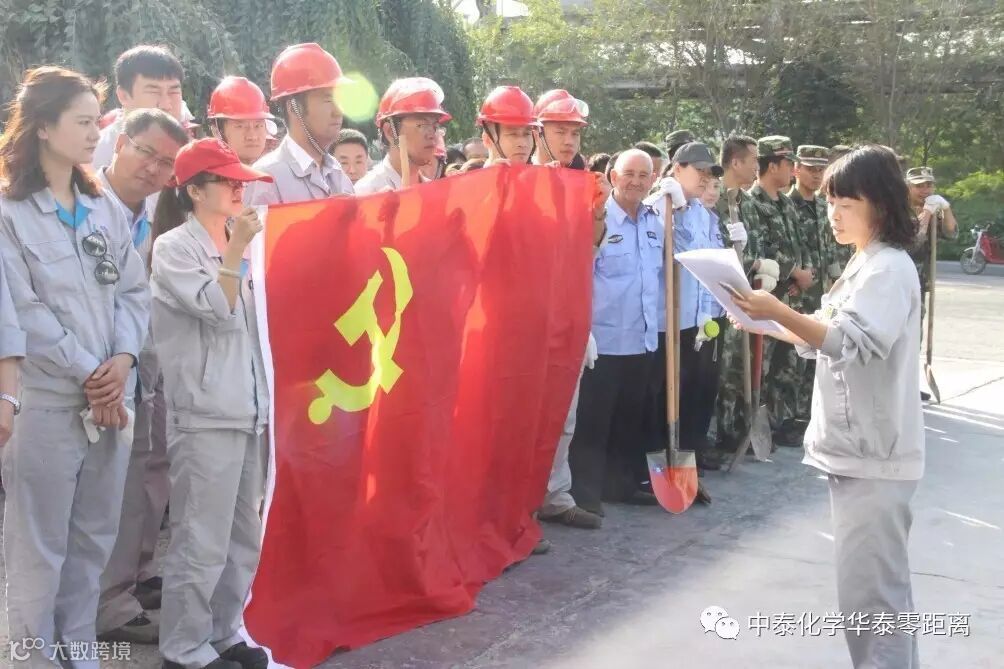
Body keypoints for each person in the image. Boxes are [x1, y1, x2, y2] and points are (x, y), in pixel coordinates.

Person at [732, 145, 924, 669]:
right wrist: (761, 320)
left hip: (875, 454)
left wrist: (777, 309)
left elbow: (845, 340)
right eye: (831, 203)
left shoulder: (888, 268)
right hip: (860, 450)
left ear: (879, 204)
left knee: (873, 601)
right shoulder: (867, 261)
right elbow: (822, 334)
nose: (833, 213)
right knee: (877, 593)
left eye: (846, 204)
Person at [0, 66, 150, 666]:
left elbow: (132, 291)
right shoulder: (9, 213)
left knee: (91, 544)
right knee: (40, 550)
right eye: (83, 122)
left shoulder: (102, 206)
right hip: (48, 405)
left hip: (111, 402)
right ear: (43, 127)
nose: (95, 134)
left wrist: (123, 360)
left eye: (95, 122)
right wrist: (92, 371)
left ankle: (80, 654)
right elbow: (22, 311)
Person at [150, 138, 272, 669]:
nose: (238, 187)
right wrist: (237, 249)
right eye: (226, 180)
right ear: (195, 190)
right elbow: (215, 309)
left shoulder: (239, 240)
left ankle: (224, 632)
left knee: (243, 537)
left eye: (240, 179)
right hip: (204, 414)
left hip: (249, 409)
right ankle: (183, 647)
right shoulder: (174, 247)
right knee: (200, 537)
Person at [93, 109, 189, 645]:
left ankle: (127, 583)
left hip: (140, 362)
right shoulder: (85, 205)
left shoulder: (150, 212)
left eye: (166, 162)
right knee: (104, 492)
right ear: (118, 143)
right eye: (145, 152)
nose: (153, 168)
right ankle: (100, 606)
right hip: (93, 372)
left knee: (144, 474)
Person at [569, 149, 662, 514]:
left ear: (653, 180)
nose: (636, 182)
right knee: (594, 421)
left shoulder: (656, 220)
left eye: (643, 175)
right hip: (605, 339)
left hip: (643, 337)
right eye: (629, 174)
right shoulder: (598, 219)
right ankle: (586, 492)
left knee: (629, 418)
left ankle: (620, 485)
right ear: (612, 177)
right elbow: (582, 275)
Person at [748, 136, 813, 448]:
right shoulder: (753, 203)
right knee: (763, 366)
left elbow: (799, 243)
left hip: (792, 297)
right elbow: (759, 248)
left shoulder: (786, 203)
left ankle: (782, 422)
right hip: (768, 297)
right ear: (772, 166)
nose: (792, 170)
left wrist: (805, 271)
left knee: (788, 365)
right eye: (788, 164)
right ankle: (754, 428)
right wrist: (793, 271)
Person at [245, 43, 354, 205]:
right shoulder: (266, 179)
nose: (338, 112)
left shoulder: (336, 171)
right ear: (293, 108)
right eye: (328, 100)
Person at [787, 145, 842, 440]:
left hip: (823, 289)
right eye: (810, 169)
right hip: (798, 290)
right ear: (796, 169)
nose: (816, 174)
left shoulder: (824, 205)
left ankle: (810, 413)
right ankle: (791, 416)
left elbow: (830, 246)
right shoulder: (788, 205)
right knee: (794, 359)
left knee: (818, 357)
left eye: (821, 169)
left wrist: (835, 279)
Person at [92, 45, 186, 169]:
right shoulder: (95, 155)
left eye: (173, 91)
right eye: (153, 91)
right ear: (124, 96)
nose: (166, 104)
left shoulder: (190, 150)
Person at [356, 77, 451, 194]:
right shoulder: (368, 192)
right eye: (422, 125)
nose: (432, 135)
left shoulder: (433, 193)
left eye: (435, 126)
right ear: (391, 132)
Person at [206, 76, 275, 166]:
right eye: (240, 126)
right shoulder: (207, 174)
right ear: (217, 131)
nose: (252, 136)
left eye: (258, 126)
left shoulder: (274, 171)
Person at [478, 86, 540, 166]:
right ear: (487, 140)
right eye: (513, 134)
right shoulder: (469, 173)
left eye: (527, 134)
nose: (522, 144)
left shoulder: (541, 172)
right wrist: (491, 173)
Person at [533, 89, 588, 168]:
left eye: (575, 134)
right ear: (537, 136)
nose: (569, 142)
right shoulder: (518, 174)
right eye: (560, 132)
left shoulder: (585, 174)